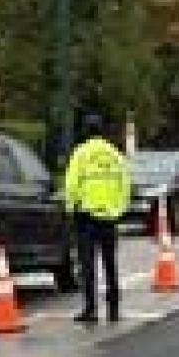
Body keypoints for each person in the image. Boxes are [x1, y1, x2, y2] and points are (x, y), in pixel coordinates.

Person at [62, 113, 131, 324]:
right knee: (110, 263)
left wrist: (70, 208)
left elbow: (72, 184)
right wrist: (119, 209)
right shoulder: (115, 155)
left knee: (88, 265)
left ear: (86, 131)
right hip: (110, 217)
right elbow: (125, 185)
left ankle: (91, 310)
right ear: (102, 131)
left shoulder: (81, 153)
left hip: (86, 216)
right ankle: (114, 309)